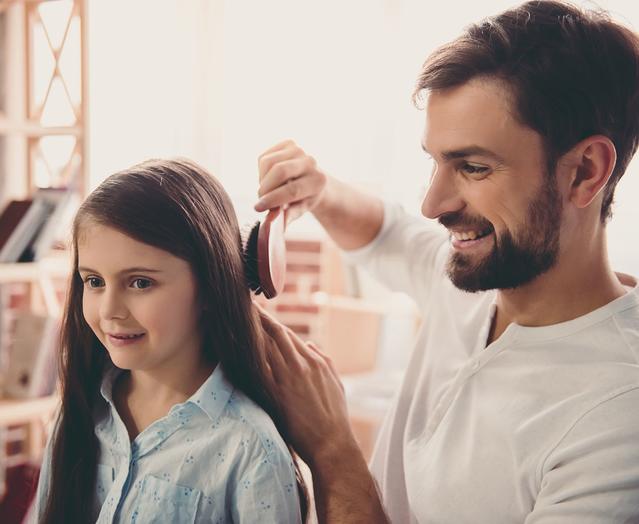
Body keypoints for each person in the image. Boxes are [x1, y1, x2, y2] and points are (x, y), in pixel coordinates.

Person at [254, 1, 639, 522]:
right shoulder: (475, 276)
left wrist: (331, 450)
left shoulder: (618, 416)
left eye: (473, 167)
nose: (433, 204)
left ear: (584, 172)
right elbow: (386, 231)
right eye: (436, 162)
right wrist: (318, 190)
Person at [34, 159, 307, 523]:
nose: (110, 310)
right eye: (94, 281)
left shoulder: (251, 450)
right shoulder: (80, 413)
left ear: (211, 285)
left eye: (140, 283)